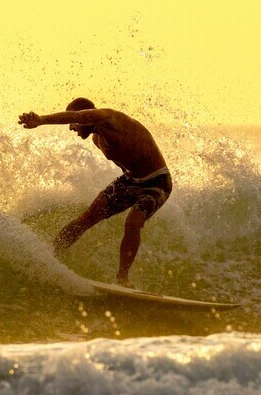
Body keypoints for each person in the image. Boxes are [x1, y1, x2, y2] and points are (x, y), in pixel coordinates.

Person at [19, 98, 172, 287]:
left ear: (85, 116)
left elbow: (76, 116)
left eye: (73, 123)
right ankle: (51, 257)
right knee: (86, 218)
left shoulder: (108, 117)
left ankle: (123, 278)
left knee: (133, 221)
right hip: (131, 181)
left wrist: (41, 120)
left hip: (157, 181)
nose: (71, 128)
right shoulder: (97, 139)